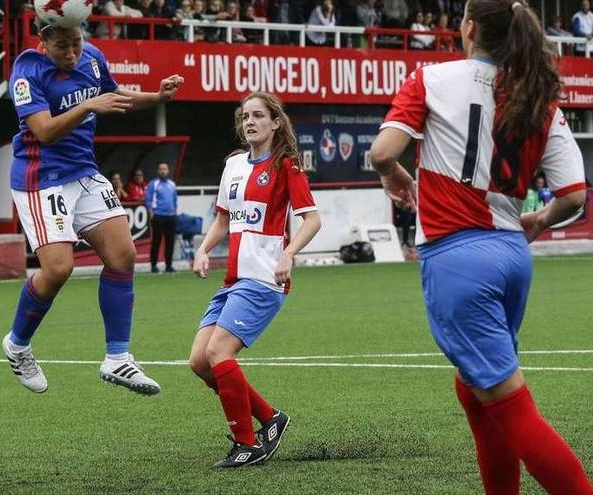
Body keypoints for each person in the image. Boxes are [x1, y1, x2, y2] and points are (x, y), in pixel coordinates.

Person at [370, 1, 593, 493]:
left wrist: (394, 175)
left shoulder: (432, 78)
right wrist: (539, 218)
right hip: (512, 254)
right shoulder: (537, 97)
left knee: (509, 403)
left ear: (468, 27)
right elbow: (575, 194)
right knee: (476, 390)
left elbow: (382, 151)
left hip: (458, 257)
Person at [4, 20, 184, 396]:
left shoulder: (93, 57)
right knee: (58, 269)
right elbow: (44, 131)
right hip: (42, 177)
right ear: (43, 42)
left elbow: (115, 97)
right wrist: (88, 104)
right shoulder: (26, 70)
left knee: (123, 254)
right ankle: (17, 345)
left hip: (84, 172)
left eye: (76, 43)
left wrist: (158, 97)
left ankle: (117, 358)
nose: (71, 53)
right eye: (62, 47)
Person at [189, 92, 321, 468]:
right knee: (200, 362)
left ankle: (247, 445)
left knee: (218, 353)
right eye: (245, 116)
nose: (250, 121)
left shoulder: (286, 165)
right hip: (233, 279)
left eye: (258, 115)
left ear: (275, 122)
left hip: (263, 278)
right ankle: (270, 418)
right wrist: (203, 250)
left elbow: (312, 219)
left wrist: (289, 252)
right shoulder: (233, 165)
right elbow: (223, 220)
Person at [145, 162, 178, 273]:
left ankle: (169, 265)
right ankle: (154, 265)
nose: (163, 171)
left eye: (165, 169)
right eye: (161, 169)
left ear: (168, 170)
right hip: (158, 216)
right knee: (156, 241)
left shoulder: (172, 184)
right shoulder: (153, 184)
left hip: (171, 216)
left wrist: (174, 212)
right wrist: (151, 213)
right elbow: (148, 199)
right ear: (158, 171)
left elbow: (175, 200)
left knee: (170, 242)